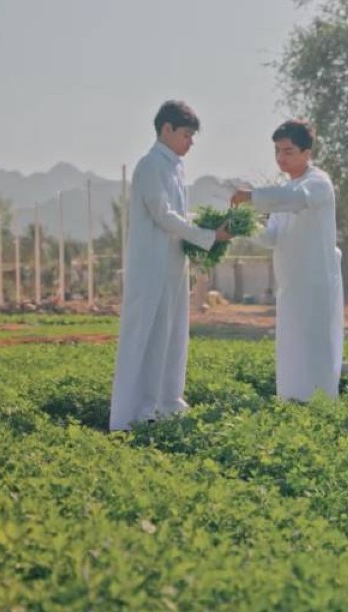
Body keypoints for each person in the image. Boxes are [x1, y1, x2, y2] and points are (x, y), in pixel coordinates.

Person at [109, 100, 231, 431]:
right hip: (150, 267)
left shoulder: (175, 167)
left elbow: (178, 217)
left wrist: (211, 228)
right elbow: (162, 215)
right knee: (144, 336)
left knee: (173, 336)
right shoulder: (150, 165)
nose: (190, 142)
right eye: (186, 134)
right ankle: (132, 414)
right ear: (166, 129)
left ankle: (167, 404)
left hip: (174, 266)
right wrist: (208, 234)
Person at [230, 120, 344, 402]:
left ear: (307, 153)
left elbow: (294, 200)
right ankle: (291, 404)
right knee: (292, 349)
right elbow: (272, 237)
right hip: (291, 286)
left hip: (316, 284)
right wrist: (241, 226)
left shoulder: (317, 183)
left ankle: (320, 408)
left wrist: (252, 196)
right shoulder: (288, 189)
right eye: (278, 151)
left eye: (289, 151)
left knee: (316, 349)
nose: (281, 158)